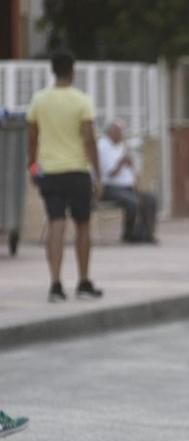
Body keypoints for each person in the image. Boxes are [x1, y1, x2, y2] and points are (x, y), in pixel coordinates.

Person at [26, 49, 103, 303]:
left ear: (53, 70)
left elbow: (32, 138)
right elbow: (89, 139)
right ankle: (83, 281)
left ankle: (56, 285)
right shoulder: (81, 100)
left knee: (56, 224)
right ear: (72, 70)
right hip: (77, 171)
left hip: (50, 171)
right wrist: (98, 174)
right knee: (82, 225)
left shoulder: (39, 100)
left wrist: (33, 168)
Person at [97, 120, 158, 243]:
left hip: (128, 187)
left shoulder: (122, 146)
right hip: (110, 187)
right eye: (119, 132)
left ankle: (146, 234)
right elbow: (109, 173)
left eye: (122, 132)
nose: (121, 135)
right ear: (111, 132)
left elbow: (133, 170)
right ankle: (128, 234)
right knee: (132, 202)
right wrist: (121, 163)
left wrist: (133, 171)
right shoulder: (103, 147)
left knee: (151, 199)